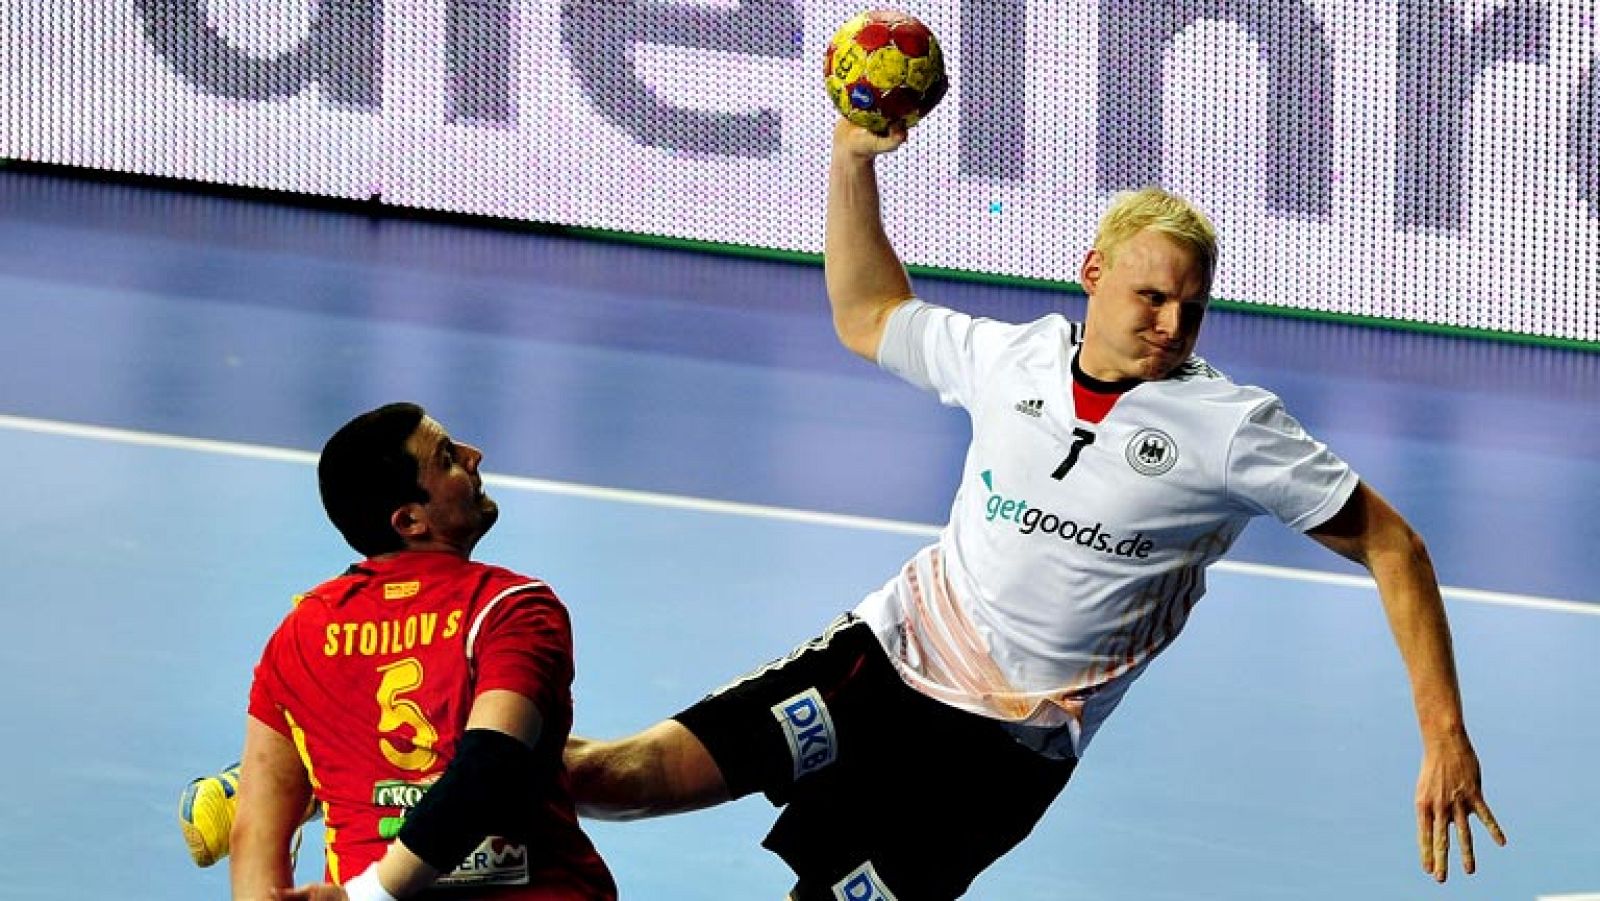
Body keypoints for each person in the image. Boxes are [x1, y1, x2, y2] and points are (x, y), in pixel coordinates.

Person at [561, 120, 1506, 899]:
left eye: (1190, 306)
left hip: (1000, 754)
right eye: (1150, 296)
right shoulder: (1010, 359)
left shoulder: (1233, 430)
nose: (1170, 325)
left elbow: (1395, 544)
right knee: (615, 777)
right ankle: (433, 787)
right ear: (1093, 274)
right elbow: (866, 312)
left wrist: (1444, 737)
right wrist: (851, 158)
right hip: (885, 661)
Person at [203, 402, 616, 901]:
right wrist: (370, 896)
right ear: (411, 520)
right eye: (446, 458)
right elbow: (491, 763)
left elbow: (256, 827)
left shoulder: (300, 634)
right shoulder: (509, 609)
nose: (472, 455)